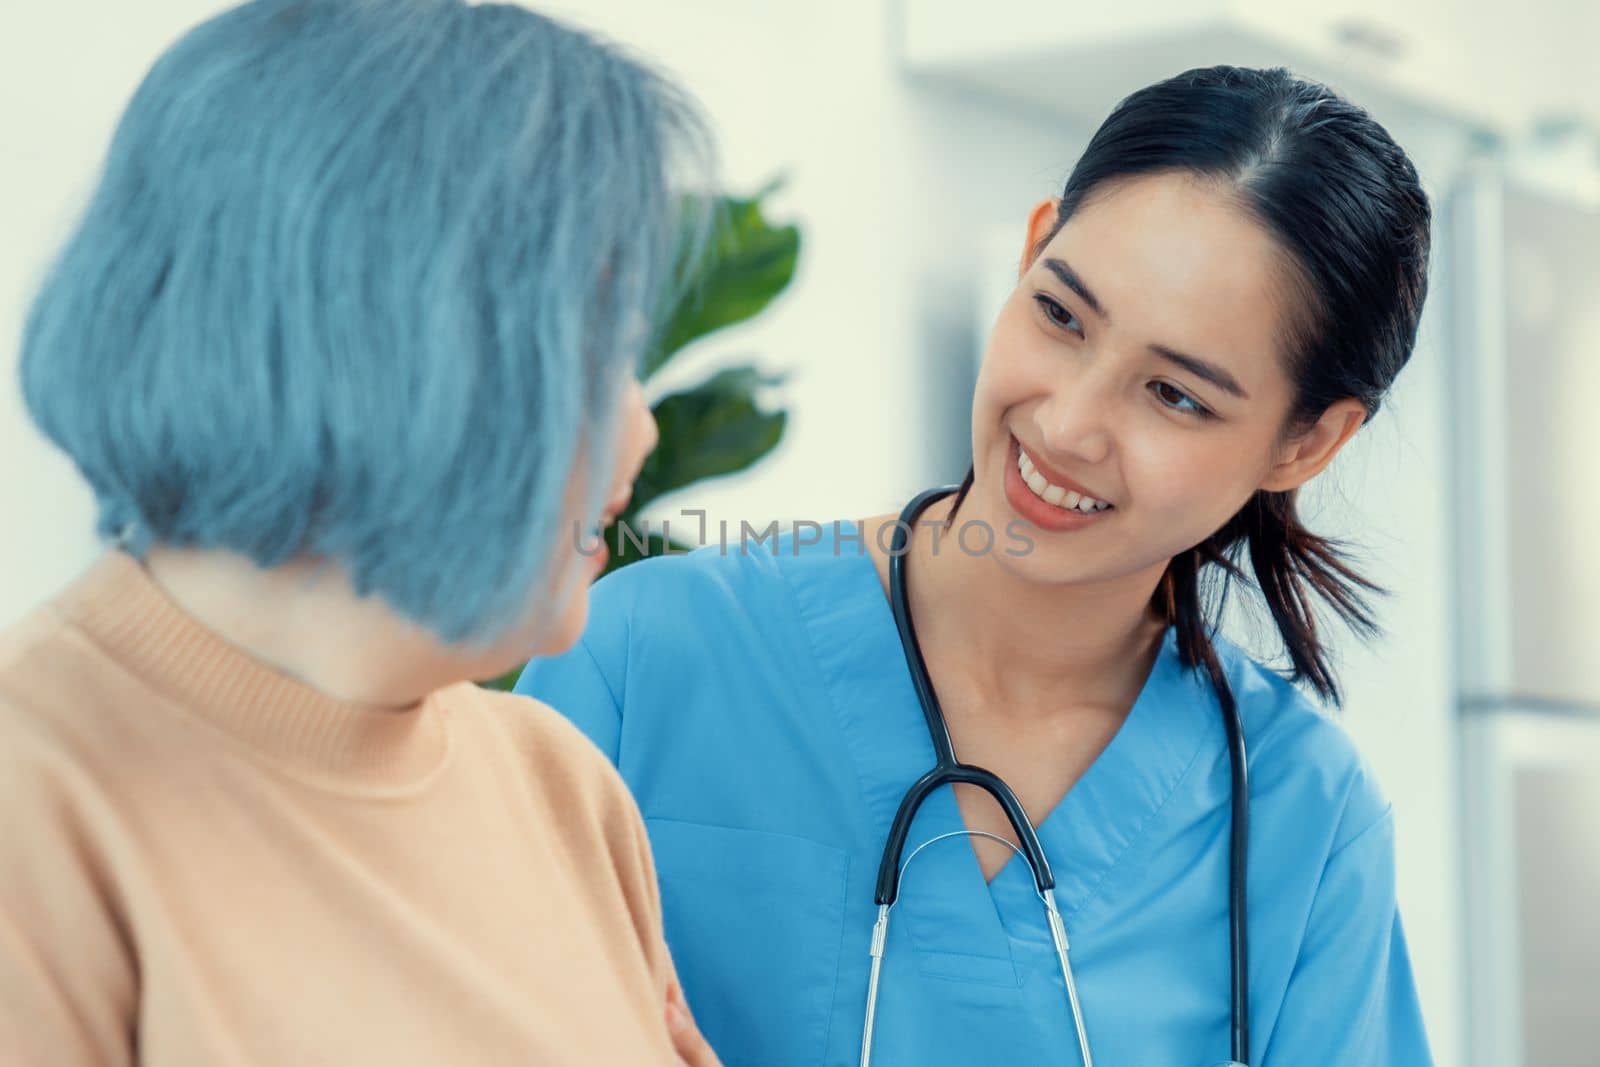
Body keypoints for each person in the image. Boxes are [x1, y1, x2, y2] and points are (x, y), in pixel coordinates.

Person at [518, 65, 1436, 1065]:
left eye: (1174, 395)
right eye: (1061, 316)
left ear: (1305, 443)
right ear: (1033, 245)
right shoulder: (643, 657)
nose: (1068, 423)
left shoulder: (1304, 819)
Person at [0, 1, 722, 1063]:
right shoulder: (36, 805)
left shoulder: (562, 788)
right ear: (407, 351)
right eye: (600, 352)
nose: (642, 426)